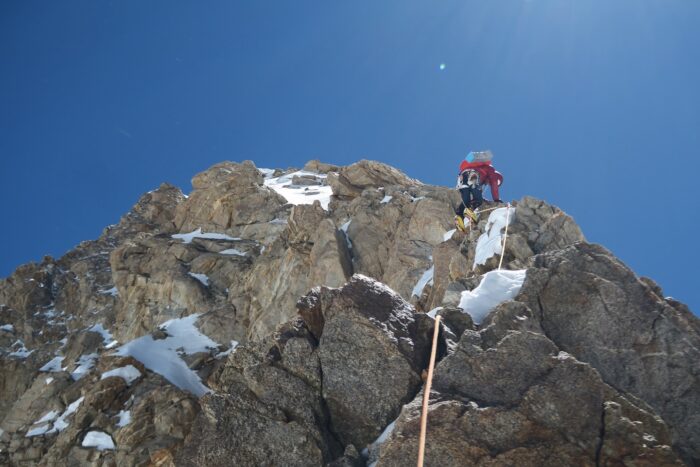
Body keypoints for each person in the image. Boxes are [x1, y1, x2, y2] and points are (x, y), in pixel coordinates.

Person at [455, 151, 503, 229]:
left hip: (462, 176)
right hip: (473, 175)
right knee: (478, 200)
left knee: (466, 199)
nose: (489, 184)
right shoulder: (491, 170)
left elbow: (475, 190)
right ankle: (470, 210)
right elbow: (494, 184)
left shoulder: (480, 171)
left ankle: (459, 217)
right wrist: (496, 199)